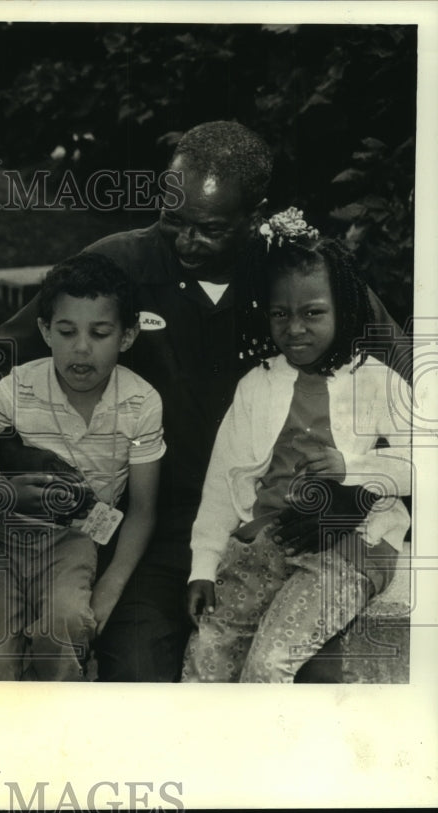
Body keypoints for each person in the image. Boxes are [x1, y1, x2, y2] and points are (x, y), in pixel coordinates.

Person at [0, 120, 404, 681]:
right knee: (137, 674)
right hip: (156, 529)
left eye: (208, 229)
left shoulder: (298, 277)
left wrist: (356, 492)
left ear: (256, 215)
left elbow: (411, 387)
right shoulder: (124, 263)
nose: (185, 242)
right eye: (173, 220)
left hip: (287, 528)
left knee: (306, 679)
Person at [181, 209, 411, 682]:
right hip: (267, 541)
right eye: (280, 314)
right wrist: (202, 565)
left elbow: (426, 460)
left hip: (348, 551)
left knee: (270, 664)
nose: (295, 328)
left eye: (313, 313)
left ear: (343, 309)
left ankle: (269, 754)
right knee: (207, 655)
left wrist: (354, 469)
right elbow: (222, 479)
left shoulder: (375, 381)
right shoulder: (257, 384)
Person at [0, 254, 164, 681]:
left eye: (100, 333)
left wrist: (110, 586)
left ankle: (58, 728)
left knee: (67, 625)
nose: (81, 348)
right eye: (66, 331)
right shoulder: (13, 391)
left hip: (74, 540)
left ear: (127, 337)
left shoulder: (141, 403)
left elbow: (144, 509)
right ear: (44, 331)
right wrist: (7, 491)